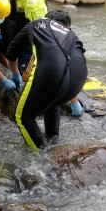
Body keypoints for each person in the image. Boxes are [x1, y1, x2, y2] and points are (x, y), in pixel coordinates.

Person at [0, 0, 83, 116]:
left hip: (34, 33)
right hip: (19, 28)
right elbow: (5, 19)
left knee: (28, 74)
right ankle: (14, 71)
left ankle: (23, 75)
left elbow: (41, 31)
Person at [6, 10, 87, 151]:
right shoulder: (71, 34)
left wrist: (15, 74)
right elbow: (70, 67)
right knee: (52, 104)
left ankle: (42, 159)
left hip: (52, 74)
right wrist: (74, 102)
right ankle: (53, 144)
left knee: (23, 117)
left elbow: (11, 54)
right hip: (79, 78)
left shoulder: (37, 24)